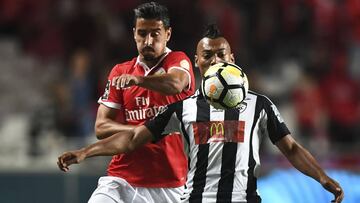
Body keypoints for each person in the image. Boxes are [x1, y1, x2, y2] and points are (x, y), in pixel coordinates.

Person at [58, 24, 344, 203]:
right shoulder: (182, 109)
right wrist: (86, 151)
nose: (215, 60)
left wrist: (322, 177)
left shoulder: (260, 105)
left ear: (232, 59)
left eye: (221, 54)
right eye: (208, 55)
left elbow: (291, 148)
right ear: (197, 62)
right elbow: (132, 140)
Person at [83, 2, 195, 203]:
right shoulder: (120, 72)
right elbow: (101, 126)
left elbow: (176, 84)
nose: (148, 40)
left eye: (155, 33)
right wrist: (141, 132)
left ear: (167, 34)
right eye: (142, 33)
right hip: (122, 179)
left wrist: (138, 80)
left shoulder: (179, 61)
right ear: (134, 33)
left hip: (171, 183)